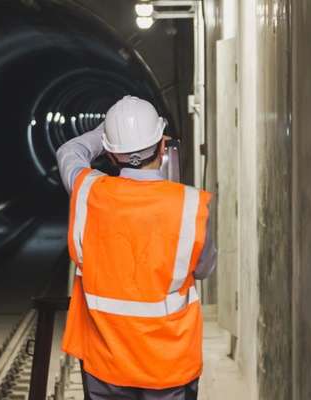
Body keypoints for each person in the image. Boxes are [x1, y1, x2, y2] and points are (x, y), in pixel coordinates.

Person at [56, 96, 217, 400]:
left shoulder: (89, 191)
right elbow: (205, 269)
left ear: (111, 154)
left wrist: (104, 133)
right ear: (161, 145)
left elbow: (70, 151)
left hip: (105, 363)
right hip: (168, 364)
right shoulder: (191, 204)